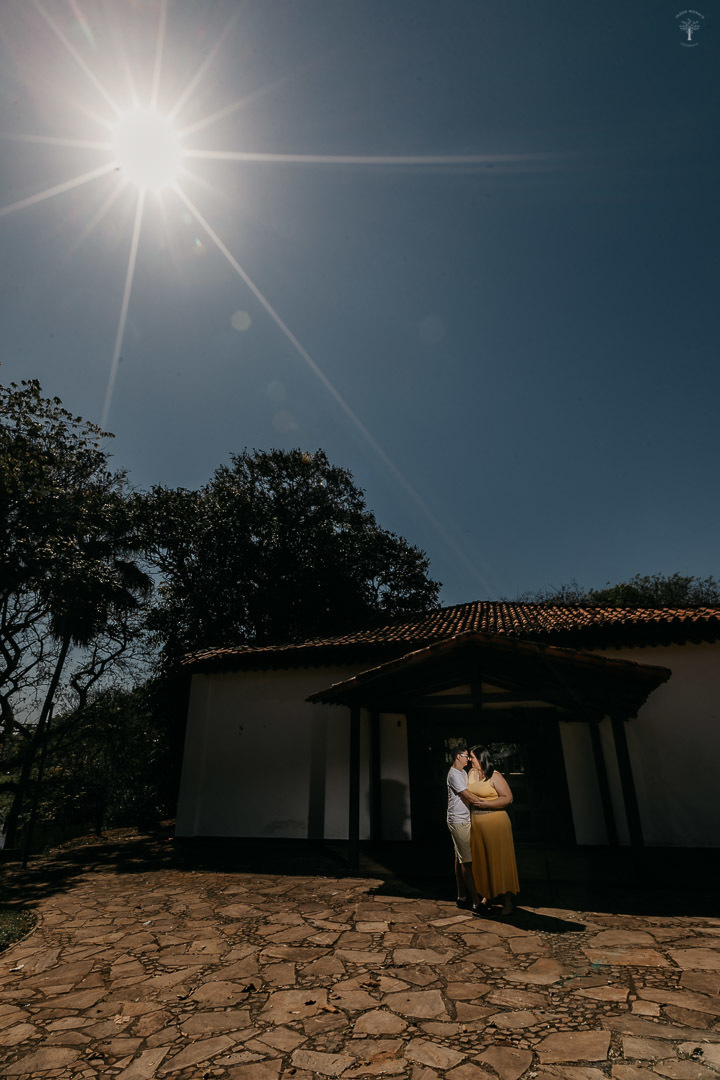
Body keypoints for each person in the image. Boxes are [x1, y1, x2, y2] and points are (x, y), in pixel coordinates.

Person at [467, 745, 519, 916]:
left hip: (495, 822)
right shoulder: (471, 773)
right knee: (482, 862)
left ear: (481, 758)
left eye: (472, 757)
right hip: (476, 822)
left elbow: (508, 798)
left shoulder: (494, 776)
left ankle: (508, 901)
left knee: (499, 861)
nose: (470, 760)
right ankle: (487, 895)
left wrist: (487, 803)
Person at [446, 748, 485, 916]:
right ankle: (476, 902)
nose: (468, 759)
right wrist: (489, 802)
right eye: (466, 756)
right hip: (458, 821)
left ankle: (461, 897)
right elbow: (468, 796)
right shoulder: (454, 774)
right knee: (467, 862)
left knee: (460, 858)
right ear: (458, 756)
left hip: (465, 819)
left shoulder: (463, 772)